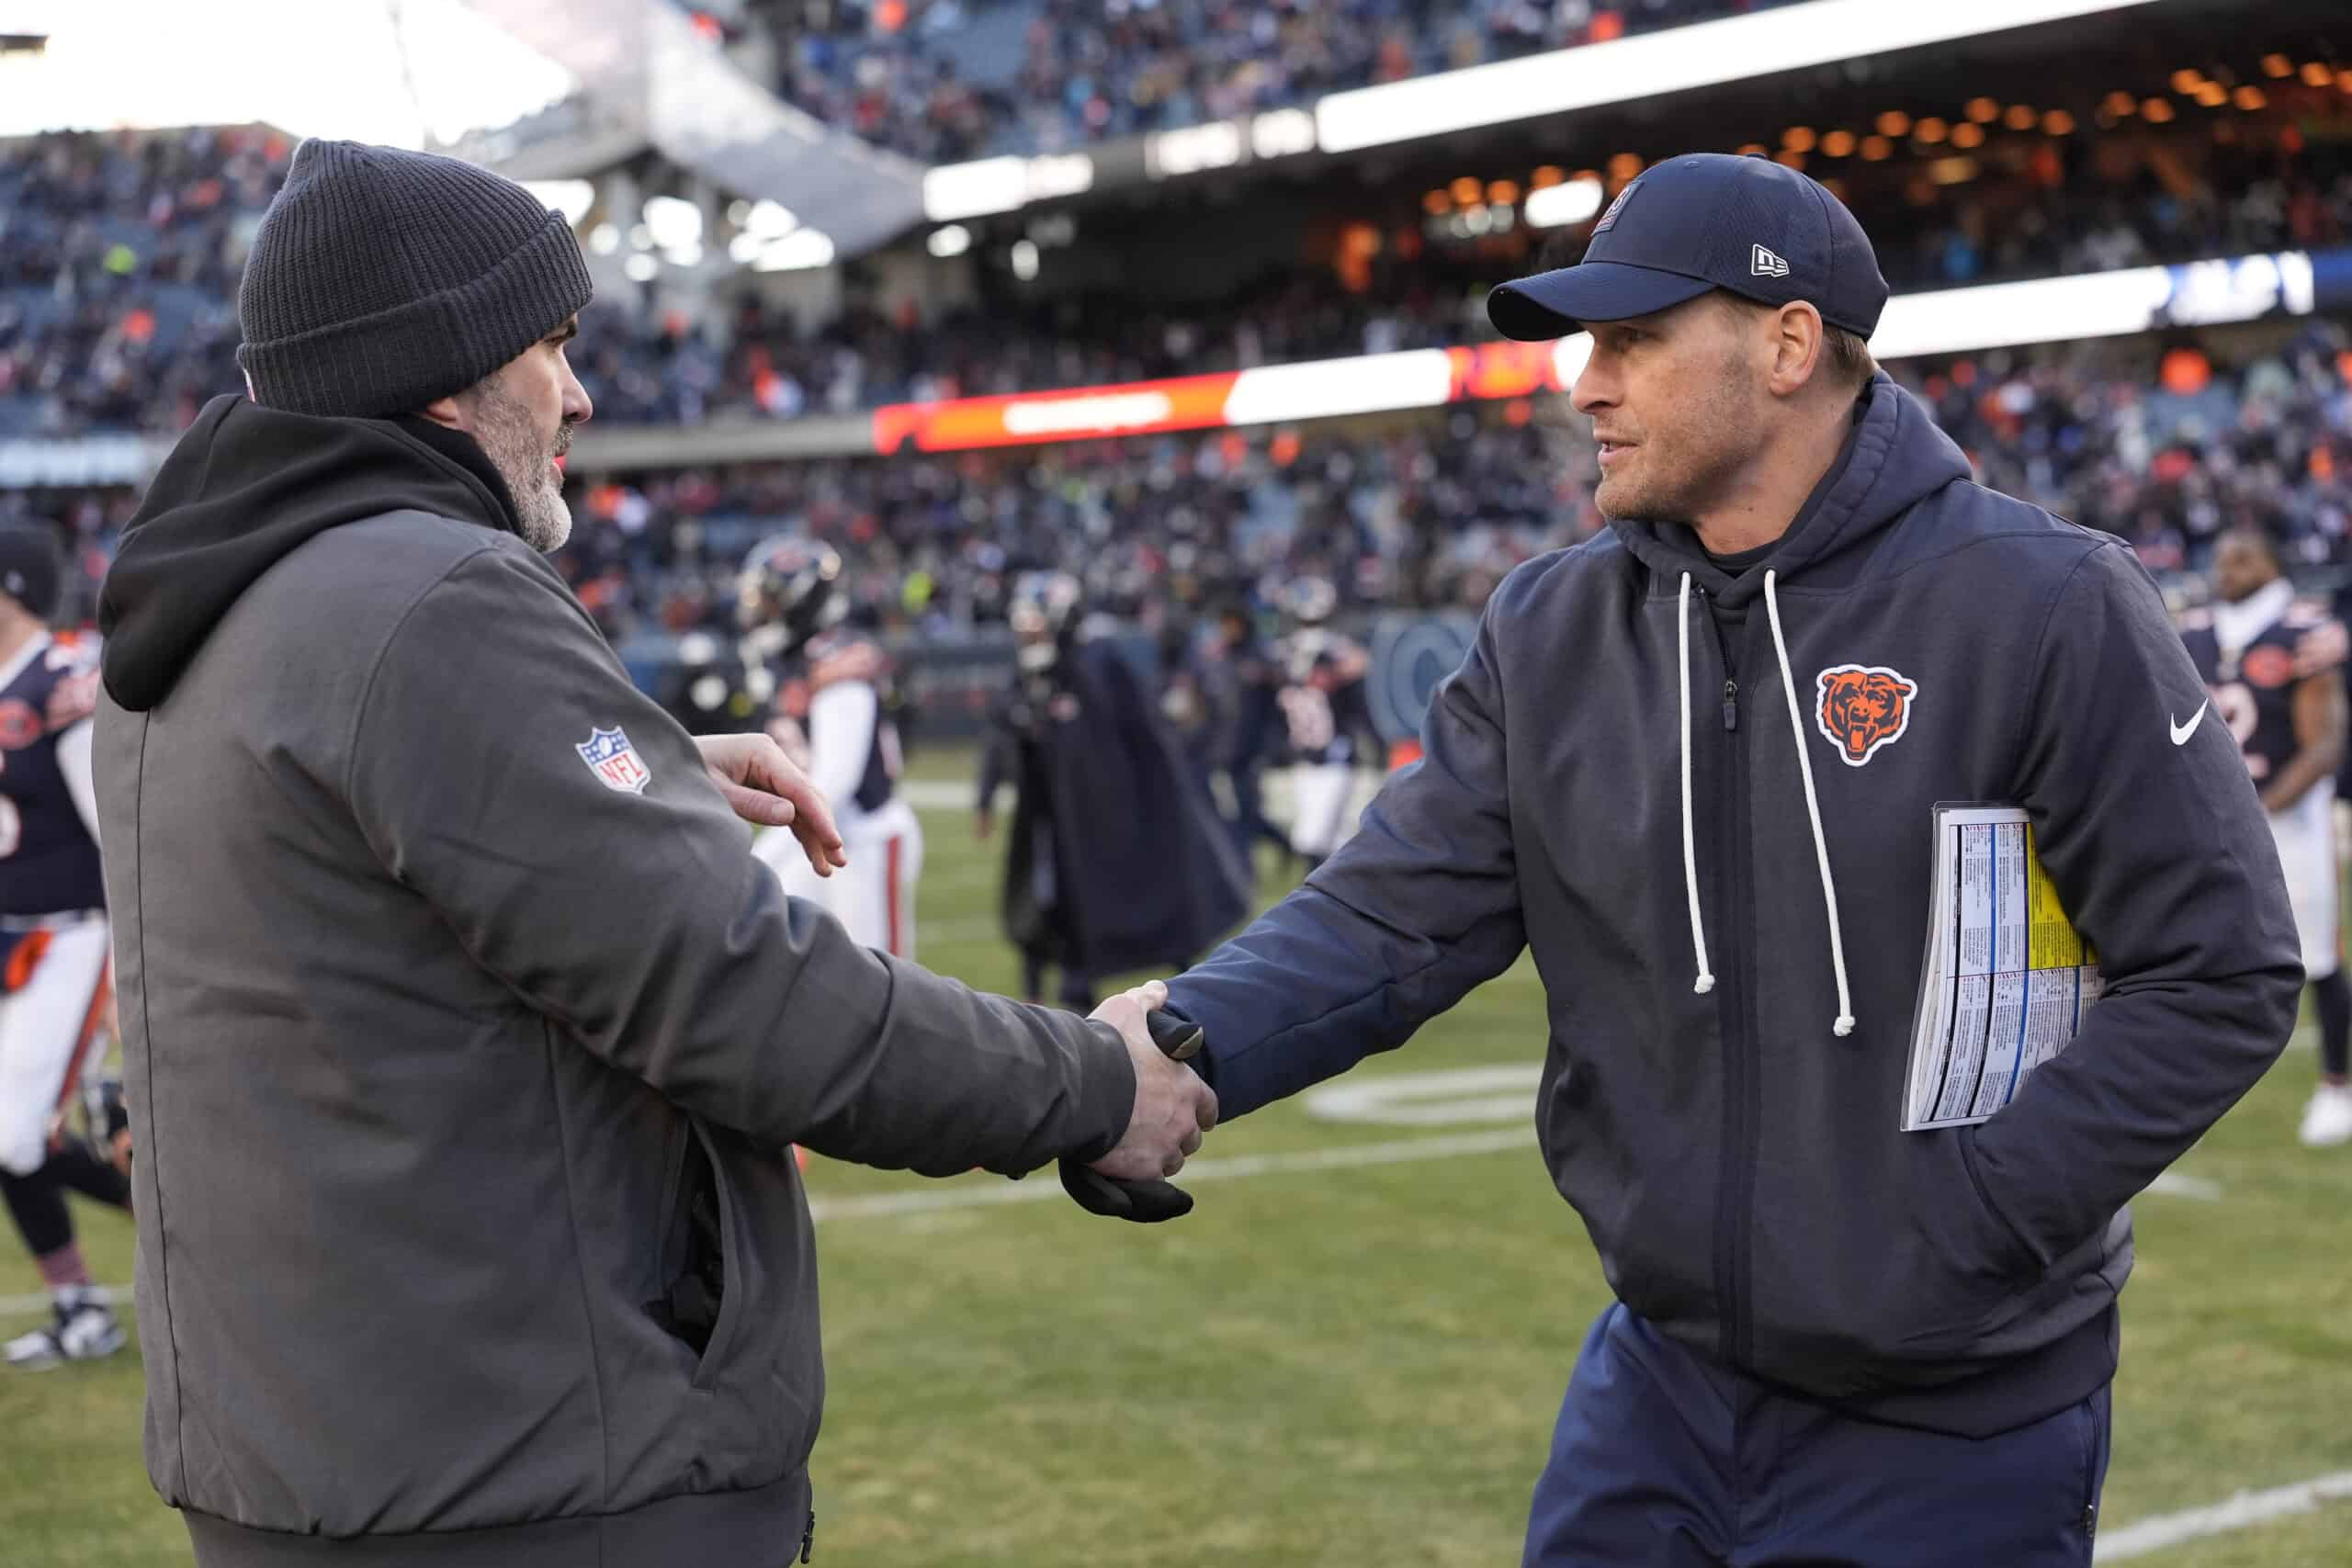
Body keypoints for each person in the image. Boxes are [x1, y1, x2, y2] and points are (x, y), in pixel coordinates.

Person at [1157, 152, 2300, 1567]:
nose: (1584, 384)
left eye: (1633, 339)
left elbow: (2224, 967)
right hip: (1662, 1384)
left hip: (1956, 1412)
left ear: (1787, 342)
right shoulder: (1552, 627)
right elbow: (1395, 911)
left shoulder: (2043, 603)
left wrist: (1971, 1216)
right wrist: (1179, 1037)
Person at [91, 140, 1215, 1567]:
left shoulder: (208, 603)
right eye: (551, 346)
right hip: (536, 1472)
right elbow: (751, 1001)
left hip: (302, 1467)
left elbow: (340, 862)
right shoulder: (434, 596)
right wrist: (1095, 1079)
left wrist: (650, 771)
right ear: (445, 371)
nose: (581, 392)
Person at [978, 573, 1249, 1010]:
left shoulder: (1098, 663)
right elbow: (1005, 732)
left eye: (1036, 625)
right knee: (1047, 899)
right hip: (1056, 816)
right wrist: (988, 792)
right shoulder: (1028, 677)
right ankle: (1064, 985)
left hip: (1112, 811)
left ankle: (1187, 978)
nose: (1029, 635)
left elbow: (1141, 738)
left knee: (1157, 889)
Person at [0, 525, 131, 1370]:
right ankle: (80, 1304)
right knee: (20, 1136)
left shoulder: (63, 680)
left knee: (14, 1135)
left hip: (73, 937)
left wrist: (126, 961)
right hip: (15, 939)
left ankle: (203, 1231)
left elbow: (112, 825)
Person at [2180, 525, 2351, 1146]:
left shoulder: (2304, 632)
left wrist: (2256, 809)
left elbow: (2326, 743)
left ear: (2274, 561)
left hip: (2289, 817)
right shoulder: (2195, 631)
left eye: (2243, 554)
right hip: (2210, 816)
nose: (2228, 564)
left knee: (2316, 954)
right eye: (2223, 554)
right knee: (2189, 944)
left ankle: (2337, 1083)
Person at [741, 536, 924, 958]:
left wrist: (759, 854)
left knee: (886, 980)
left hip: (863, 835)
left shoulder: (837, 661)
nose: (757, 611)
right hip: (816, 833)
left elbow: (835, 781)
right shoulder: (792, 659)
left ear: (799, 600)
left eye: (768, 599)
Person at [1273, 576, 1377, 871]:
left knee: (1315, 840)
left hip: (1328, 753)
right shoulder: (1334, 652)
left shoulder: (1291, 653)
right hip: (1314, 754)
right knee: (1328, 839)